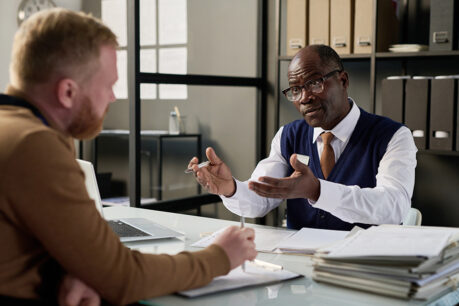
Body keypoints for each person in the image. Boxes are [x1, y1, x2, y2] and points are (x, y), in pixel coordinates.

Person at [0, 8, 257, 305]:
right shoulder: (34, 145)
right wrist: (220, 257)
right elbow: (123, 277)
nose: (112, 98)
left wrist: (76, 272)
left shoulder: (13, 130)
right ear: (67, 92)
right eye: (109, 86)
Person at [189, 45, 417, 231]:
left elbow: (393, 206)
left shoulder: (393, 136)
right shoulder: (288, 135)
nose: (305, 98)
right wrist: (230, 188)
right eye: (295, 90)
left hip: (367, 267)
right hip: (300, 268)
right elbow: (262, 196)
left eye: (315, 83)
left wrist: (317, 190)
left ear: (343, 81)